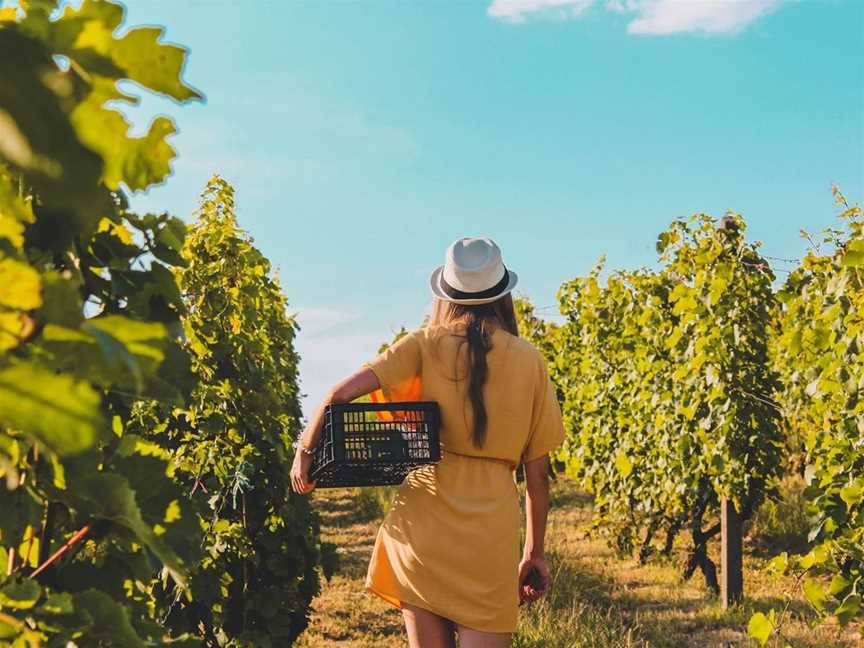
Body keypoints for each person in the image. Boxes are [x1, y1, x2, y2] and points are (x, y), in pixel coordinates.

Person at [291, 237, 565, 648]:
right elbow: (538, 478)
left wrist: (305, 451)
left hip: (423, 528)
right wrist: (533, 553)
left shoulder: (422, 343)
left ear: (448, 293)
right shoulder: (530, 361)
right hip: (488, 540)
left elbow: (337, 396)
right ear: (502, 293)